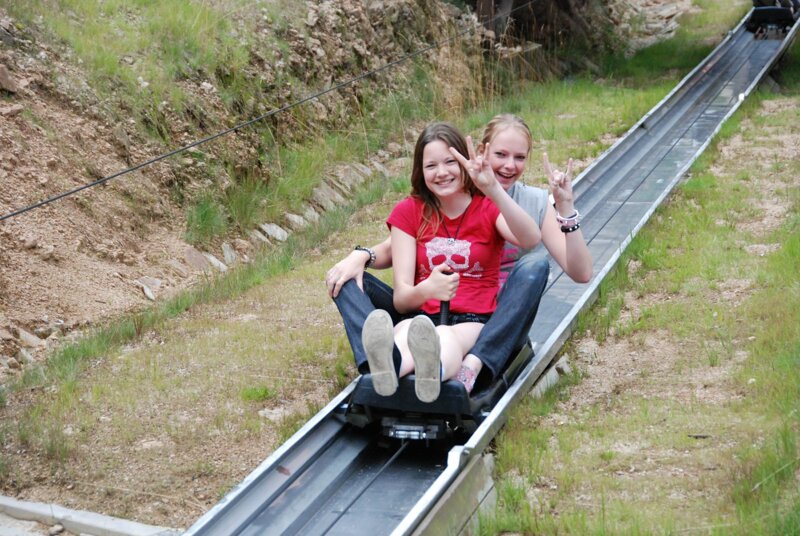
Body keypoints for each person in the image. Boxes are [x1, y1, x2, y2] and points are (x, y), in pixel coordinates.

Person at [326, 114, 592, 394]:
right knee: (400, 323)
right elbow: (401, 247)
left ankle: (457, 366)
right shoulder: (426, 204)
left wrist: (564, 207)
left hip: (487, 312)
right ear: (479, 153)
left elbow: (550, 251)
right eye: (500, 154)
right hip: (426, 307)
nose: (509, 165)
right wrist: (360, 256)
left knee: (528, 271)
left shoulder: (506, 205)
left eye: (519, 157)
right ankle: (384, 364)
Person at [359, 121, 540, 402]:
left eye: (450, 162)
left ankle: (435, 371)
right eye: (431, 166)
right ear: (421, 171)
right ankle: (388, 367)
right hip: (422, 314)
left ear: (463, 163)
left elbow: (529, 239)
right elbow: (403, 297)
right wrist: (427, 289)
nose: (442, 172)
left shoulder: (487, 206)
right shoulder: (409, 210)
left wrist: (493, 188)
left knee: (446, 336)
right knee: (404, 330)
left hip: (472, 317)